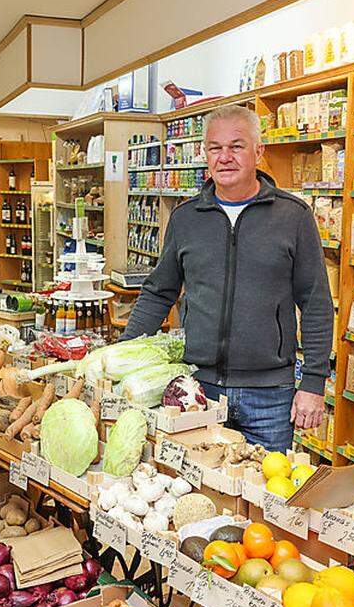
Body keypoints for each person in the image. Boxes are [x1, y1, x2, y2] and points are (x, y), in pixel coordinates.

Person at [119, 104, 333, 451]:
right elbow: (159, 292)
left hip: (269, 395)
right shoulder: (187, 218)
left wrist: (313, 383)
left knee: (267, 496)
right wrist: (123, 357)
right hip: (196, 389)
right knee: (194, 491)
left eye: (237, 146)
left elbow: (316, 303)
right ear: (205, 153)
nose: (225, 157)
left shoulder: (293, 216)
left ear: (258, 152)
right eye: (215, 148)